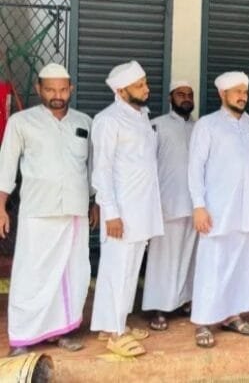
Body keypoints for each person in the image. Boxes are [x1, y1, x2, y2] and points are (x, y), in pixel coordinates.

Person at [0, 63, 96, 356]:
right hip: (38, 211)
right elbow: (6, 166)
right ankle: (22, 337)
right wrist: (1, 206)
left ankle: (61, 331)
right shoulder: (21, 122)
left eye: (63, 89)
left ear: (71, 89)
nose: (57, 95)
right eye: (51, 89)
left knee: (71, 273)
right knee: (31, 275)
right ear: (39, 89)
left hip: (75, 211)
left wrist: (95, 202)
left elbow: (92, 168)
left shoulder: (84, 122)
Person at [90, 60, 164, 357]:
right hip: (121, 211)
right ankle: (115, 334)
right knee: (117, 270)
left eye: (145, 83)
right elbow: (101, 170)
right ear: (121, 91)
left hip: (142, 208)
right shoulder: (108, 120)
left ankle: (114, 324)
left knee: (130, 270)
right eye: (139, 85)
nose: (147, 89)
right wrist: (111, 212)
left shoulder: (142, 116)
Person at [188, 71, 249, 348]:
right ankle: (203, 321)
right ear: (223, 94)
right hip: (217, 210)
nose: (243, 96)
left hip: (247, 211)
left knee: (242, 265)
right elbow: (195, 167)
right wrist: (199, 206)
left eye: (245, 91)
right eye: (237, 91)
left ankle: (233, 315)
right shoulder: (207, 125)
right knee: (213, 265)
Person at [141, 81, 197, 331]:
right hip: (166, 202)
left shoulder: (199, 127)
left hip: (195, 205)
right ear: (170, 98)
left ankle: (184, 301)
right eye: (180, 94)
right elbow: (147, 166)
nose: (186, 98)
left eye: (189, 95)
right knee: (163, 258)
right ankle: (159, 307)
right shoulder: (157, 125)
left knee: (189, 256)